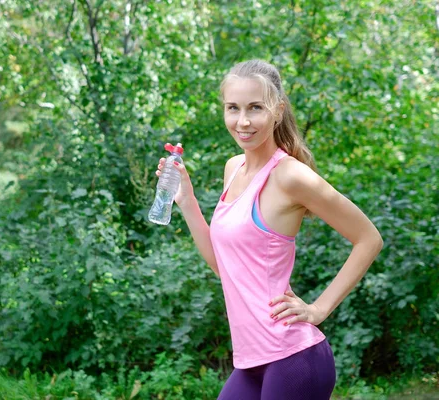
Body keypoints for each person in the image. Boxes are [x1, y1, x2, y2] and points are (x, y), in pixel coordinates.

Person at [155, 59, 383, 400]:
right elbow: (224, 266)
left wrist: (319, 309)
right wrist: (186, 201)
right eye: (233, 108)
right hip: (252, 361)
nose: (242, 121)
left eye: (255, 108)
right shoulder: (233, 168)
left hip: (293, 357)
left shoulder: (290, 176)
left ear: (277, 110)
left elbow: (368, 238)